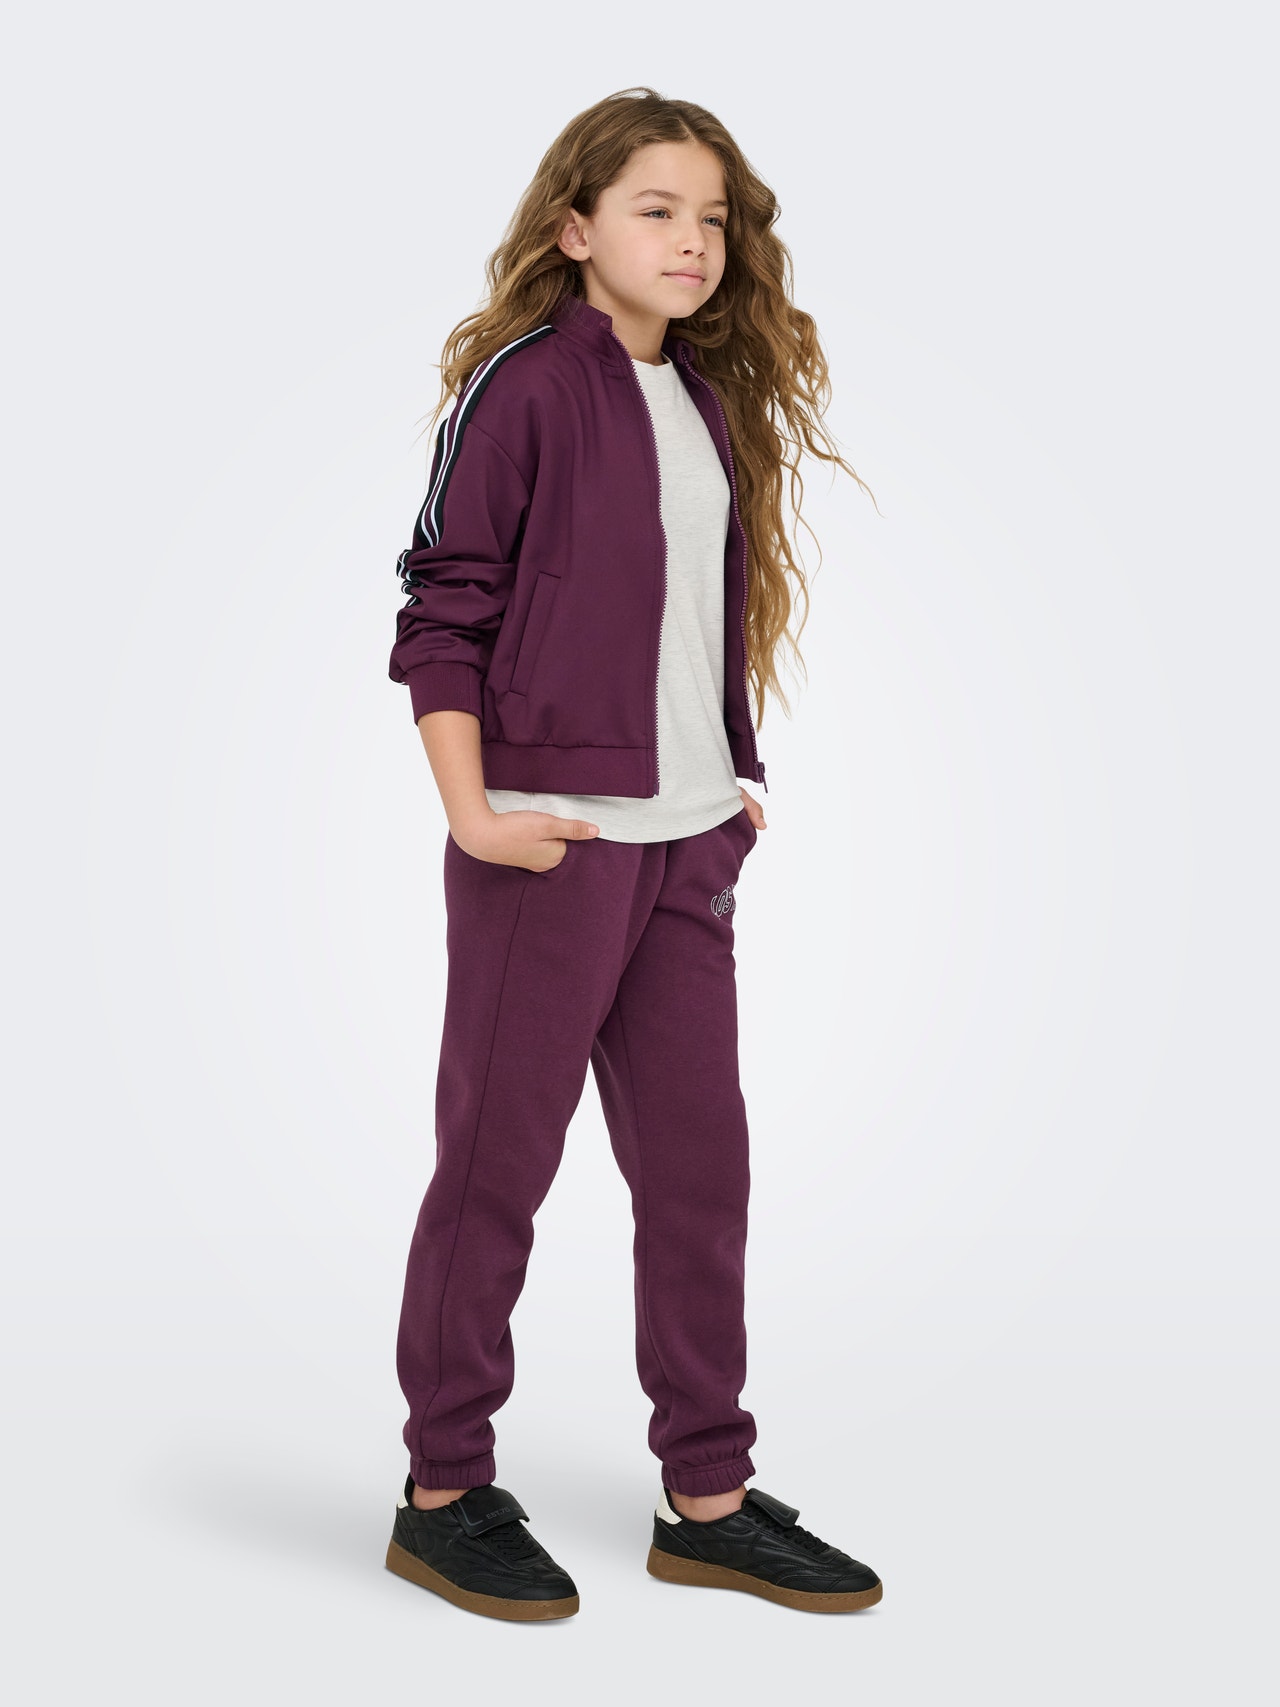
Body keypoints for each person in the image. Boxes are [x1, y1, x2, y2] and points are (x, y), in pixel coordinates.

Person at [382, 86, 883, 1622]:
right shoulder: (527, 387)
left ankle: (706, 1499)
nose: (692, 240)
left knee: (700, 1175)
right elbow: (443, 606)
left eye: (711, 217)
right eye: (655, 210)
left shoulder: (701, 398)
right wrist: (473, 813)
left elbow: (686, 620)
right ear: (574, 229)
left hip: (684, 848)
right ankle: (443, 1491)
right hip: (552, 841)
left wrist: (727, 782)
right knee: (498, 1170)